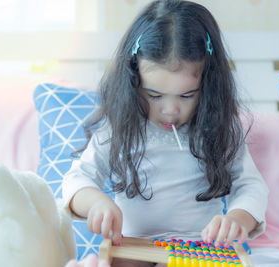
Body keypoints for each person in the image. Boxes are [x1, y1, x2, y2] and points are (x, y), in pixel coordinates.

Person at [62, 0, 268, 266]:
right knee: (112, 261)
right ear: (133, 81)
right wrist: (96, 202)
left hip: (199, 249)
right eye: (154, 95)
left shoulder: (220, 126)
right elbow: (78, 178)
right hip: (135, 246)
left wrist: (238, 219)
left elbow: (250, 185)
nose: (170, 110)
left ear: (208, 84)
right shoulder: (121, 125)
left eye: (187, 95)